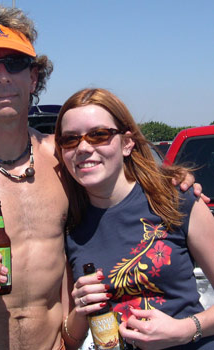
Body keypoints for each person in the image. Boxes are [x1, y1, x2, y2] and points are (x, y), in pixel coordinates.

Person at [0, 5, 200, 350]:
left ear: (33, 78)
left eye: (15, 63)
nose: (2, 76)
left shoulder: (64, 158)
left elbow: (126, 187)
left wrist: (174, 182)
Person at [54, 88, 214, 350]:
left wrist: (185, 329)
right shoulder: (68, 227)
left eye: (98, 135)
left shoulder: (177, 200)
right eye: (70, 140)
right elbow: (69, 340)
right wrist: (81, 310)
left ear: (127, 143)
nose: (83, 147)